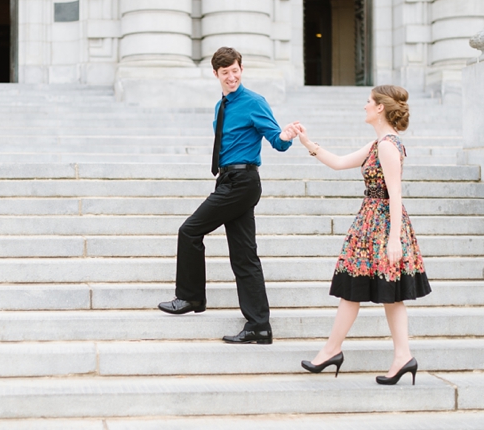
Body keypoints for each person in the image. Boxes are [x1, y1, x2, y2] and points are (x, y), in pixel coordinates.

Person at [158, 47, 301, 345]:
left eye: (235, 70)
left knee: (189, 230)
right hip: (229, 180)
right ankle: (259, 326)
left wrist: (286, 136)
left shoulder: (254, 102)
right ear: (216, 74)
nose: (232, 76)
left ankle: (190, 298)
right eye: (226, 73)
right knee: (244, 256)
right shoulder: (220, 106)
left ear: (241, 69)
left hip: (242, 181)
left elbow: (277, 141)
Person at [296, 85, 431, 384]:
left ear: (380, 107)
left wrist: (394, 238)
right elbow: (340, 162)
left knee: (365, 290)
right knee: (380, 293)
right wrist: (308, 142)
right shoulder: (377, 144)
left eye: (369, 101)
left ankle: (337, 350)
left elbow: (395, 194)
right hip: (371, 224)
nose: (365, 105)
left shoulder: (387, 146)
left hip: (381, 225)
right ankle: (399, 356)